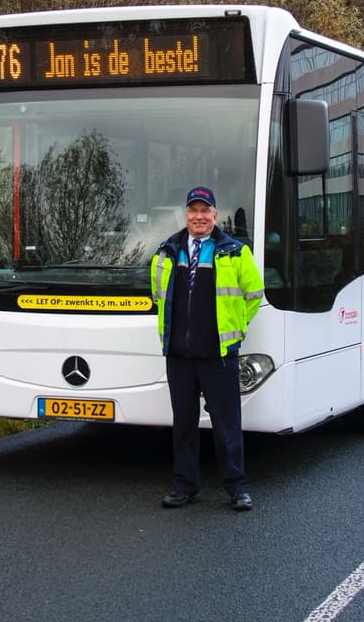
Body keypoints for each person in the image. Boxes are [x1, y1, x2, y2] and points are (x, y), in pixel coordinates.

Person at [150, 185, 264, 512]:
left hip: (219, 355)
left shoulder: (235, 252)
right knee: (183, 425)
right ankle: (185, 486)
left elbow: (254, 295)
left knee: (227, 425)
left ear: (215, 215)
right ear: (185, 215)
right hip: (179, 356)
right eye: (193, 210)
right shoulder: (166, 252)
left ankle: (237, 488)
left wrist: (236, 327)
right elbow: (158, 295)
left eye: (205, 211)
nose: (199, 217)